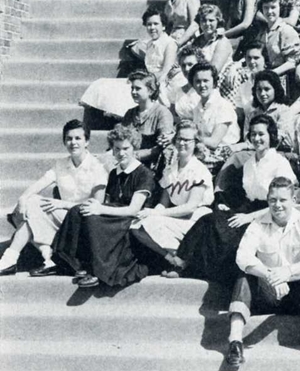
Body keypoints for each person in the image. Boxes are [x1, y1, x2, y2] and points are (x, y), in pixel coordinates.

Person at [226, 176, 300, 368]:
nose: (277, 205)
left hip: (298, 296)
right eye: (273, 200)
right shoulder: (257, 224)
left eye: (283, 200)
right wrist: (270, 275)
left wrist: (288, 272)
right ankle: (235, 343)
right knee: (244, 277)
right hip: (267, 293)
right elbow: (243, 257)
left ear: (293, 200)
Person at [173, 114, 296, 282]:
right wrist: (232, 209)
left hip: (271, 214)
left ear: (271, 136)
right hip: (248, 209)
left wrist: (248, 217)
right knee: (209, 220)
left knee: (228, 235)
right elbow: (248, 196)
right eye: (253, 134)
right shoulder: (249, 163)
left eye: (261, 134)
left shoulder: (279, 163)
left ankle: (204, 272)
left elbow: (282, 204)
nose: (256, 138)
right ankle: (182, 263)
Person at [52, 124, 157, 288]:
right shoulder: (115, 173)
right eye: (117, 149)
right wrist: (95, 205)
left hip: (131, 219)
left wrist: (100, 209)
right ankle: (76, 263)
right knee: (77, 211)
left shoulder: (144, 174)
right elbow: (109, 201)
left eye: (126, 148)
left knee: (93, 220)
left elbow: (133, 209)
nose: (121, 153)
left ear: (134, 148)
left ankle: (96, 271)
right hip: (115, 215)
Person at [0, 120, 108, 277]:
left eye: (78, 138)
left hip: (83, 220)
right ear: (64, 142)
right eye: (69, 139)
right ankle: (46, 256)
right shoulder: (61, 164)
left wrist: (63, 204)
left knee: (31, 212)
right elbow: (39, 184)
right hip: (62, 217)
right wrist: (23, 199)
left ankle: (11, 259)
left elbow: (97, 205)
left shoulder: (97, 167)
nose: (73, 143)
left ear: (87, 142)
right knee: (30, 203)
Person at [130, 121, 214, 275]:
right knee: (136, 225)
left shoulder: (199, 170)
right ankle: (174, 260)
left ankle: (185, 262)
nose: (182, 143)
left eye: (187, 140)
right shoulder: (170, 169)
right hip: (177, 216)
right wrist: (151, 212)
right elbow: (163, 203)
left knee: (152, 222)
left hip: (198, 221)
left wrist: (156, 213)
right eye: (179, 138)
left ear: (196, 143)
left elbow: (191, 207)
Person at [79, 7, 178, 118]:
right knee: (103, 82)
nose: (152, 28)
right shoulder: (150, 44)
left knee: (128, 89)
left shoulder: (170, 44)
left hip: (161, 83)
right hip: (147, 79)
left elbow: (165, 72)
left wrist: (143, 79)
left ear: (163, 26)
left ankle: (120, 114)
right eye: (149, 24)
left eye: (156, 24)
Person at [190, 62, 240, 172]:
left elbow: (214, 142)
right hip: (204, 151)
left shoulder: (223, 106)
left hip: (224, 155)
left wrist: (188, 137)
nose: (202, 85)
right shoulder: (197, 107)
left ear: (214, 83)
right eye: (198, 81)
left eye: (206, 81)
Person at [121, 70, 174, 173]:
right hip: (128, 162)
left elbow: (163, 147)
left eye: (138, 88)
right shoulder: (130, 113)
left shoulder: (162, 113)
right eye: (132, 88)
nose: (133, 92)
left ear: (150, 91)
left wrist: (136, 155)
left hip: (152, 166)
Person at [237, 70, 294, 152]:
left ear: (275, 90)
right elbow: (247, 138)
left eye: (267, 89)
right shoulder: (252, 114)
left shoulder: (283, 111)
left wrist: (244, 146)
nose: (262, 94)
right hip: (254, 152)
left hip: (280, 152)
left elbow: (278, 139)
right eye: (259, 90)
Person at [259, 0, 300, 86]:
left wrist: (271, 74)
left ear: (280, 8)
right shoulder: (262, 31)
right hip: (265, 77)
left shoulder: (286, 30)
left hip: (283, 79)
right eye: (266, 8)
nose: (269, 11)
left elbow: (292, 62)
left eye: (273, 7)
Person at [160, 46, 202, 121]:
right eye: (183, 65)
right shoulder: (177, 91)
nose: (186, 69)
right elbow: (172, 116)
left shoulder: (205, 90)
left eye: (190, 64)